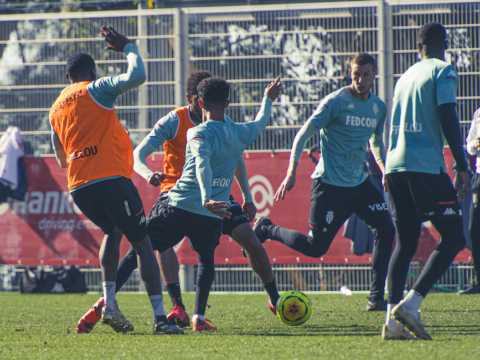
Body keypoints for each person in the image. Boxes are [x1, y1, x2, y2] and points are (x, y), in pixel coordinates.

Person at [76, 71, 280, 333]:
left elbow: (219, 162)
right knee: (196, 254)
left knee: (145, 245)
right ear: (193, 99)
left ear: (203, 101)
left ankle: (272, 299)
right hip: (199, 200)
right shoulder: (186, 121)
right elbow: (142, 154)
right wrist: (268, 99)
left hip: (198, 200)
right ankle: (185, 311)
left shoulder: (204, 130)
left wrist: (241, 196)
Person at [50, 26, 183, 335]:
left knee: (111, 232)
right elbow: (137, 76)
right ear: (90, 72)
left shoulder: (55, 108)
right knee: (143, 244)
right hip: (110, 179)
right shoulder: (95, 88)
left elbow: (60, 158)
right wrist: (129, 48)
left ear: (66, 77)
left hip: (78, 186)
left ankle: (110, 302)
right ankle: (161, 320)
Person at [253, 53, 395, 312]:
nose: (361, 80)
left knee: (386, 230)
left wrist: (384, 169)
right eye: (356, 75)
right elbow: (304, 133)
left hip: (360, 185)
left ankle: (376, 298)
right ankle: (266, 228)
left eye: (365, 75)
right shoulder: (336, 102)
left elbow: (375, 141)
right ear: (349, 75)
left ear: (374, 74)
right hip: (329, 186)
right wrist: (291, 171)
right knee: (314, 248)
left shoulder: (378, 107)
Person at [145, 76, 281, 330]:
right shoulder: (176, 121)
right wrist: (147, 173)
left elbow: (235, 159)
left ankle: (275, 299)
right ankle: (179, 307)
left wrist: (247, 197)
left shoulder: (227, 126)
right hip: (181, 193)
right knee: (157, 246)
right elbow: (198, 163)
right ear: (193, 100)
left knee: (248, 241)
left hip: (217, 196)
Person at [382, 22, 469, 341]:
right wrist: (461, 164)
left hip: (394, 166)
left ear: (418, 47)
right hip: (423, 167)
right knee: (454, 237)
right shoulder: (443, 71)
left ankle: (391, 324)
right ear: (444, 44)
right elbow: (448, 115)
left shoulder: (405, 76)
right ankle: (411, 305)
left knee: (404, 241)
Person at [461, 107, 480, 294]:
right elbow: (469, 146)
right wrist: (475, 144)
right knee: (474, 231)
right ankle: (478, 280)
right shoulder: (478, 113)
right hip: (479, 177)